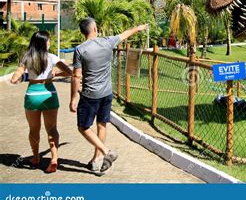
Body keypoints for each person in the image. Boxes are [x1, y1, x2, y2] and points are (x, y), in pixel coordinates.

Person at [70, 18, 148, 174]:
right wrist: (138, 28)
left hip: (90, 96)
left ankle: (106, 152)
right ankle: (96, 162)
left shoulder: (80, 50)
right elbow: (123, 35)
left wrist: (73, 98)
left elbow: (76, 76)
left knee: (83, 127)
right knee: (101, 125)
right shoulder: (107, 42)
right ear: (95, 28)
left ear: (83, 32)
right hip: (107, 93)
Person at [10, 31, 72, 173]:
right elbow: (69, 72)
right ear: (44, 43)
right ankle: (54, 159)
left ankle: (36, 158)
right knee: (52, 129)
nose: (50, 43)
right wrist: (55, 74)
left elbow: (15, 78)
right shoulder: (52, 57)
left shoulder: (27, 57)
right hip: (49, 93)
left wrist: (17, 78)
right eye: (48, 41)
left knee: (34, 129)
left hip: (33, 94)